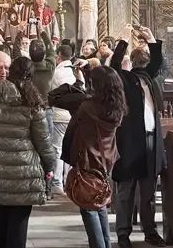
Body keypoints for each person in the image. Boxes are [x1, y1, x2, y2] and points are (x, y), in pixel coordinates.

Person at [0, 55, 56, 248]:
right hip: (23, 175)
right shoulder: (33, 103)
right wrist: (50, 166)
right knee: (18, 226)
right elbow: (43, 142)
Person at [110, 26, 168, 248]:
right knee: (126, 191)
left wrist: (151, 39)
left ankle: (150, 232)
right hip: (130, 142)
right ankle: (123, 234)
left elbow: (157, 62)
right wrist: (124, 40)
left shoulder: (148, 78)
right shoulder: (124, 79)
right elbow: (115, 65)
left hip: (151, 140)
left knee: (148, 191)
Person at [65, 65, 126, 248]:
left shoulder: (88, 107)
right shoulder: (117, 107)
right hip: (107, 158)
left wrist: (78, 82)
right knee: (99, 202)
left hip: (89, 158)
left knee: (89, 207)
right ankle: (106, 244)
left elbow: (58, 97)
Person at [49, 41, 79, 189]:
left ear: (58, 56)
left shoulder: (56, 73)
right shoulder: (76, 71)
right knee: (70, 149)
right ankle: (68, 181)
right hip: (74, 116)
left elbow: (51, 93)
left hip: (60, 115)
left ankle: (57, 182)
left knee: (57, 149)